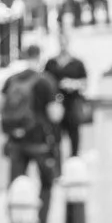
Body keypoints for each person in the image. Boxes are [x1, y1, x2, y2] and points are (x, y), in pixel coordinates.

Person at [0, 42, 60, 208]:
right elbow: (54, 114)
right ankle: (41, 220)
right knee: (46, 183)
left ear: (25, 56)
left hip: (16, 140)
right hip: (40, 141)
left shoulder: (11, 79)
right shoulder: (46, 81)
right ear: (40, 56)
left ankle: (16, 219)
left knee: (16, 184)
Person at [42, 25, 91, 158]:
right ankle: (56, 163)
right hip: (56, 103)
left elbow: (85, 82)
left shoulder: (77, 63)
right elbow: (44, 81)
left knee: (74, 134)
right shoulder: (51, 63)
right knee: (55, 135)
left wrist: (73, 84)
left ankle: (74, 159)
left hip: (72, 102)